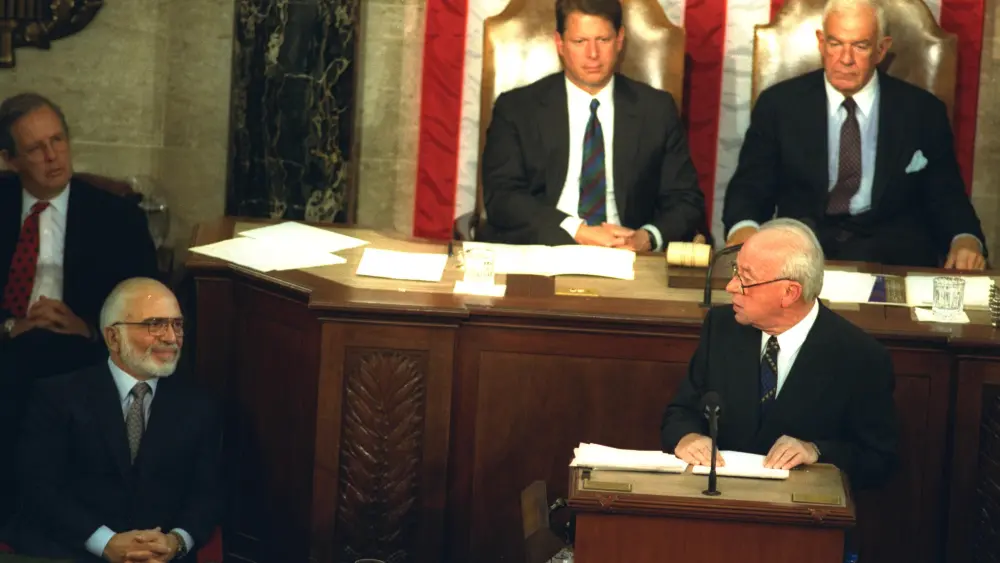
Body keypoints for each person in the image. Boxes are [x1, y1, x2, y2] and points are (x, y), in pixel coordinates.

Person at [722, 0, 986, 269]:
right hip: (802, 255)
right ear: (821, 42)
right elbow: (751, 186)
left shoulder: (923, 112)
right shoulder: (779, 105)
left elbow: (946, 194)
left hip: (893, 258)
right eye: (836, 44)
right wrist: (744, 229)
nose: (845, 59)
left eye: (860, 46)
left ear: (881, 49)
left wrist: (965, 240)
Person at [0, 92, 159, 531]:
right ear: (9, 160)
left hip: (83, 349)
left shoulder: (117, 216)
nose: (53, 157)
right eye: (35, 148)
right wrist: (13, 325)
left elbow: (146, 307)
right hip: (11, 341)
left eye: (58, 140)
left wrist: (88, 327)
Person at [660, 218, 898, 489]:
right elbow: (681, 411)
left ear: (789, 293)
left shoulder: (859, 357)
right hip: (719, 498)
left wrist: (817, 451)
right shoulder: (721, 327)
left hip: (802, 513)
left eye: (745, 279)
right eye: (736, 271)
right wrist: (686, 436)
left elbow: (880, 459)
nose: (731, 287)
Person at [7, 278, 221, 562]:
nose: (171, 337)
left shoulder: (199, 406)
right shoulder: (57, 397)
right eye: (155, 324)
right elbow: (40, 488)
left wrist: (177, 541)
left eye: (177, 325)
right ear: (112, 337)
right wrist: (106, 543)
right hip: (71, 552)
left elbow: (208, 494)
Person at [479, 0, 706, 251]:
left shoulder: (656, 110)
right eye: (580, 41)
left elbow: (685, 201)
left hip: (627, 255)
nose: (593, 54)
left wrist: (647, 238)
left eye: (603, 40)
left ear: (620, 40)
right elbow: (502, 197)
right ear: (560, 43)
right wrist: (578, 231)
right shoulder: (517, 108)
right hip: (540, 248)